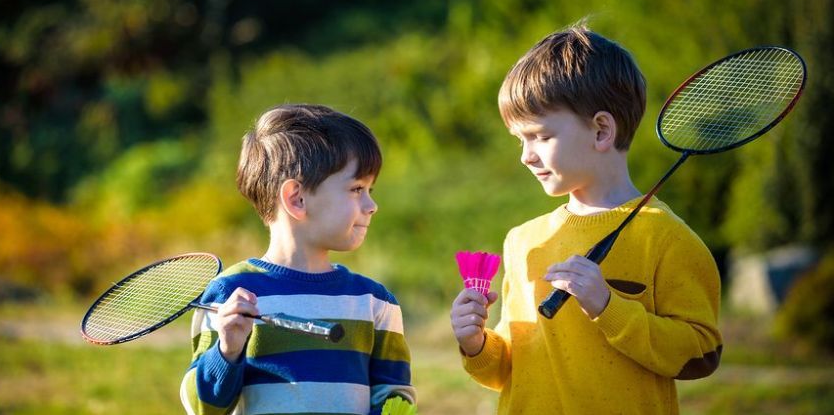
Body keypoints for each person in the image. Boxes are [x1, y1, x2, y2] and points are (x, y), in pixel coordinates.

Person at [450, 24, 723, 414]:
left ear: (601, 131)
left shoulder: (664, 238)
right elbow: (509, 368)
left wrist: (608, 306)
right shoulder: (523, 240)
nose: (526, 155)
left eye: (540, 136)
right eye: (520, 139)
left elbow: (701, 355)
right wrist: (475, 342)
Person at [181, 104, 415, 415]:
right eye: (357, 188)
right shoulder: (228, 296)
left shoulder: (375, 302)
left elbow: (396, 397)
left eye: (370, 189)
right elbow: (203, 409)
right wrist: (227, 350)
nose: (372, 205)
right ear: (297, 198)